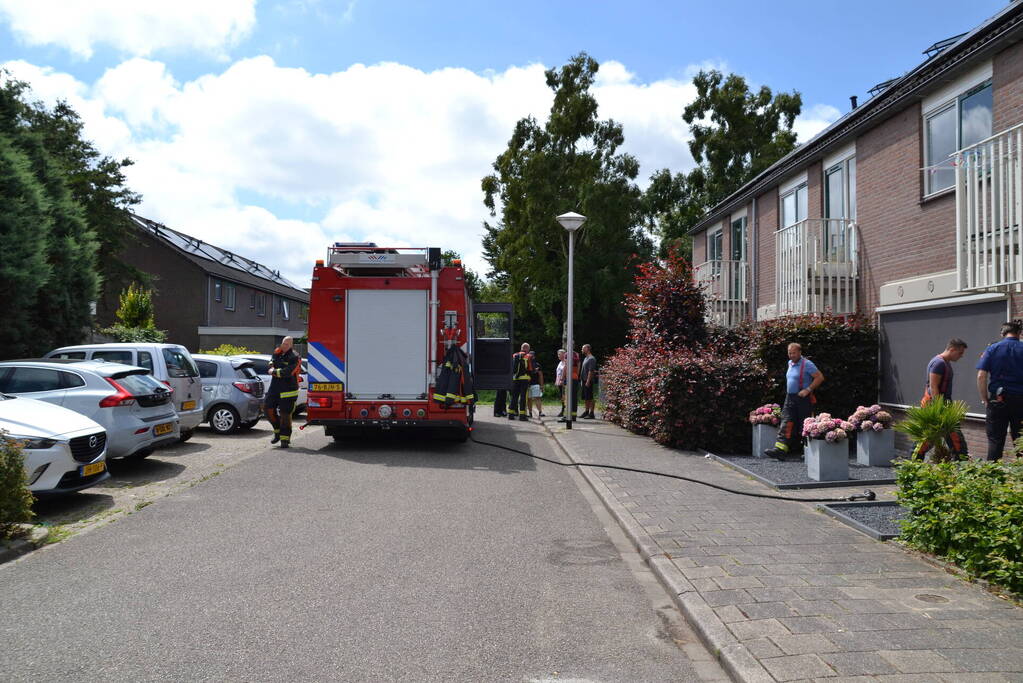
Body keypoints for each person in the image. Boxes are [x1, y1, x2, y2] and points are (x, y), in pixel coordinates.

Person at [764, 342, 824, 461]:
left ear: (800, 352)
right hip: (790, 398)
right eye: (789, 353)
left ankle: (807, 452)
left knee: (805, 424)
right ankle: (780, 450)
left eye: (793, 353)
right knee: (786, 422)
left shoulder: (807, 364)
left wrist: (807, 390)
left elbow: (820, 377)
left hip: (803, 398)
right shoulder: (790, 363)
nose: (791, 355)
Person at [914, 338, 969, 460]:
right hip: (935, 406)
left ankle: (962, 468)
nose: (961, 356)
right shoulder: (939, 363)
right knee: (929, 438)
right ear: (952, 349)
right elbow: (933, 387)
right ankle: (912, 466)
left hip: (942, 404)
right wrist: (939, 409)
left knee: (936, 438)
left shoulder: (944, 362)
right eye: (960, 353)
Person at [976, 321, 1023, 461]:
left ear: (1002, 333)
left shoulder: (992, 349)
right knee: (1021, 441)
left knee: (995, 441)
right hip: (1021, 401)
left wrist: (985, 399)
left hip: (997, 400)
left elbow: (981, 376)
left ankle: (993, 476)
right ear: (1019, 333)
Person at [265, 336, 302, 449]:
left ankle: (285, 440)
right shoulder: (277, 352)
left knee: (285, 415)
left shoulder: (295, 357)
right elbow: (271, 361)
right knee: (267, 409)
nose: (284, 346)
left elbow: (287, 372)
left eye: (286, 344)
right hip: (274, 388)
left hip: (288, 390)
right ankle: (277, 431)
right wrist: (271, 366)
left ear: (291, 345)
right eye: (283, 343)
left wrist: (273, 371)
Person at [509, 343, 532, 422]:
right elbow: (530, 368)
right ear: (527, 349)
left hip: (515, 379)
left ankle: (511, 414)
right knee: (523, 397)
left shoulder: (514, 355)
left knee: (514, 396)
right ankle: (522, 415)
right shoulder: (528, 356)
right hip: (524, 379)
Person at [558, 348, 581, 423]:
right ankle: (574, 415)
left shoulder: (567, 355)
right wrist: (576, 375)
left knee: (567, 397)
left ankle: (566, 416)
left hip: (568, 378)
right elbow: (578, 367)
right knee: (574, 397)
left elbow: (565, 367)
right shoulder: (576, 355)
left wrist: (562, 378)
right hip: (575, 377)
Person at [579, 344, 598, 419]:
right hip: (584, 380)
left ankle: (592, 413)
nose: (582, 350)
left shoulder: (591, 359)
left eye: (583, 348)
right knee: (586, 397)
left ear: (588, 349)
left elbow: (591, 371)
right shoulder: (585, 358)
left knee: (590, 397)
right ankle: (586, 411)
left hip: (588, 380)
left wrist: (588, 381)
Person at [528, 352, 545, 418]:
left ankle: (540, 412)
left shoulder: (537, 365)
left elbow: (541, 376)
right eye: (530, 355)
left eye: (532, 356)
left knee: (537, 398)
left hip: (536, 384)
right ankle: (530, 413)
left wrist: (541, 385)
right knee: (529, 399)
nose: (531, 357)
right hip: (528, 385)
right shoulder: (526, 364)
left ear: (534, 356)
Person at [554, 349, 567, 417]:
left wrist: (562, 380)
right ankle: (563, 409)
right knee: (561, 396)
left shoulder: (565, 362)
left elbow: (565, 372)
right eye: (558, 354)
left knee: (564, 396)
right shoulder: (560, 362)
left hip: (564, 382)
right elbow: (558, 373)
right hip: (559, 381)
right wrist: (557, 381)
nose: (558, 355)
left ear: (564, 354)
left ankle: (564, 410)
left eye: (559, 354)